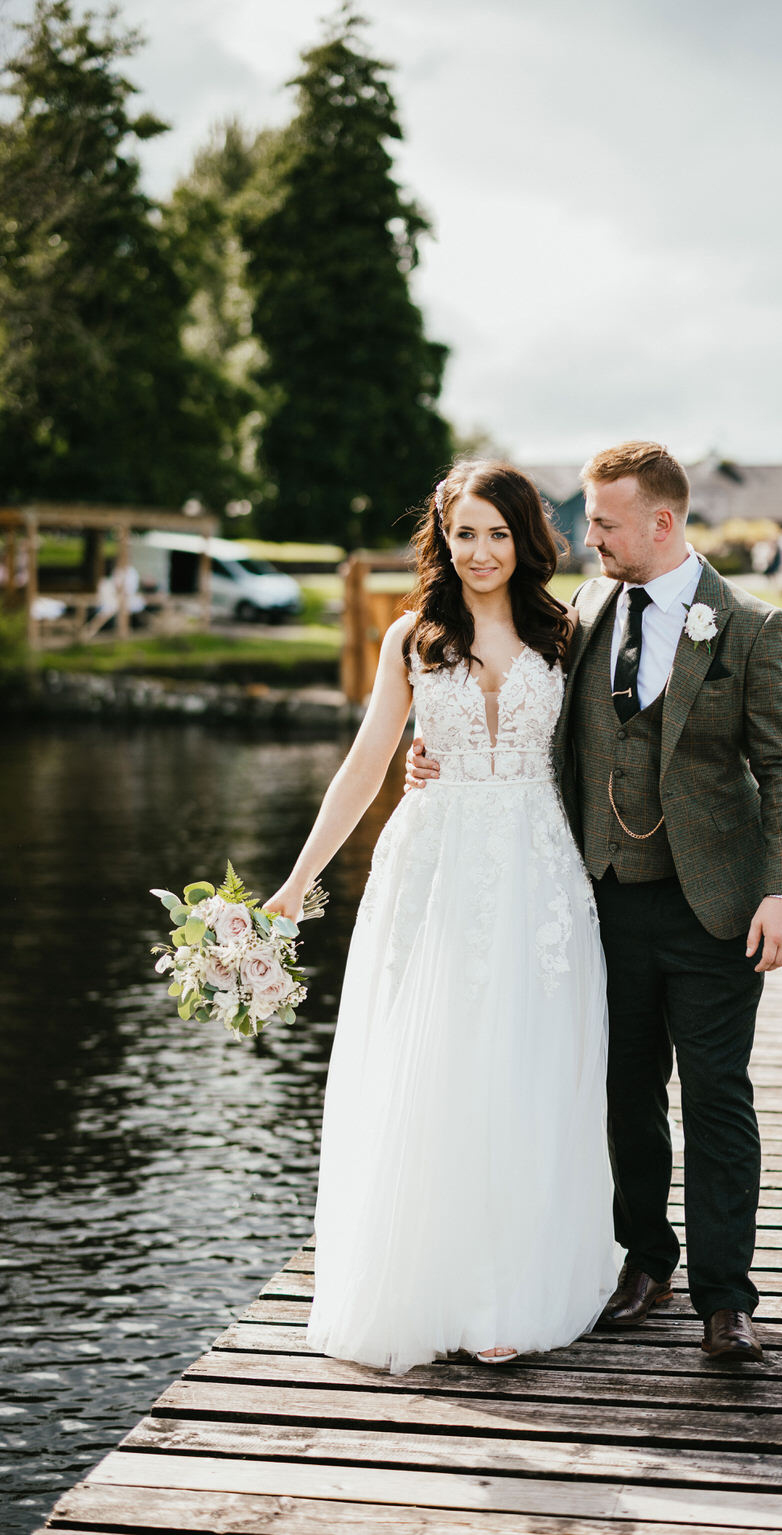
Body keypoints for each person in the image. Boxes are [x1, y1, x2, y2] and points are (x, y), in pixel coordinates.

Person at [410, 441, 782, 1362]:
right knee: (624, 1092)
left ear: (661, 523)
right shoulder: (581, 613)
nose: (584, 534)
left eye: (602, 521)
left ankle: (725, 1296)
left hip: (717, 907)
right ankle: (645, 1259)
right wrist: (427, 756)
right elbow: (529, 733)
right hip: (602, 902)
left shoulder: (750, 626)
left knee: (716, 1097)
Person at [264, 460, 618, 1374]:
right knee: (438, 1065)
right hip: (436, 868)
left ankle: (507, 1288)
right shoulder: (413, 640)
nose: (482, 550)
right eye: (465, 532)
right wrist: (297, 883)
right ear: (442, 535)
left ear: (525, 538)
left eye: (499, 532)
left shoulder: (566, 633)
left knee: (526, 1071)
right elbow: (366, 762)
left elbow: (604, 755)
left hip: (538, 874)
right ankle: (438, 1287)